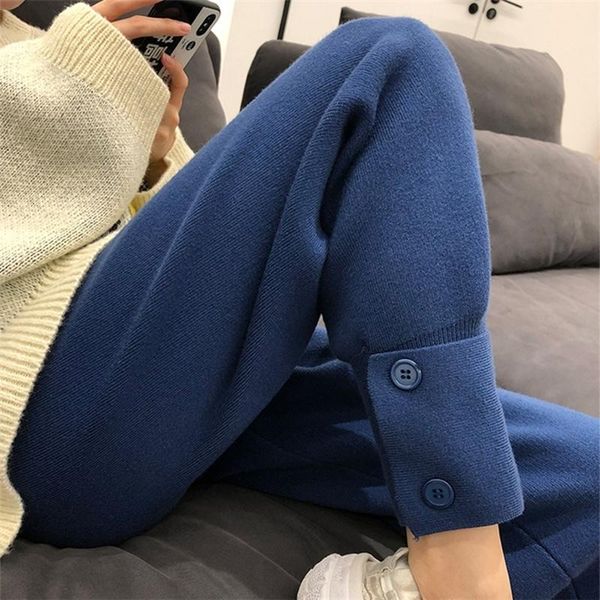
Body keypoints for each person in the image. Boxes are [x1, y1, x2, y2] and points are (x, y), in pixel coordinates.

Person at [0, 0, 597, 598]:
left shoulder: (31, 40)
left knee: (585, 470)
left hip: (166, 383)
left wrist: (148, 159)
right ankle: (455, 575)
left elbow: (159, 248)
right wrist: (70, 71)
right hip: (37, 415)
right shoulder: (47, 53)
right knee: (389, 58)